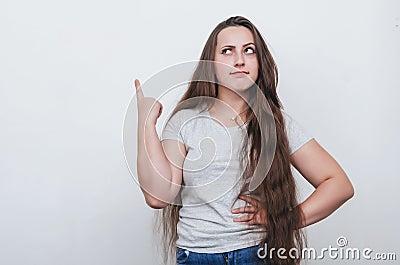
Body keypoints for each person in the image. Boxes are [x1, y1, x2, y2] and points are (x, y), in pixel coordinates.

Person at [134, 16, 354, 265]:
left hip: (256, 255)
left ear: (259, 61)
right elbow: (157, 197)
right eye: (227, 51)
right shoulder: (186, 122)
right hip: (196, 257)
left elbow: (339, 185)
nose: (239, 60)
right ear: (212, 63)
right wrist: (146, 123)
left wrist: (284, 218)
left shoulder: (276, 123)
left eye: (248, 50)